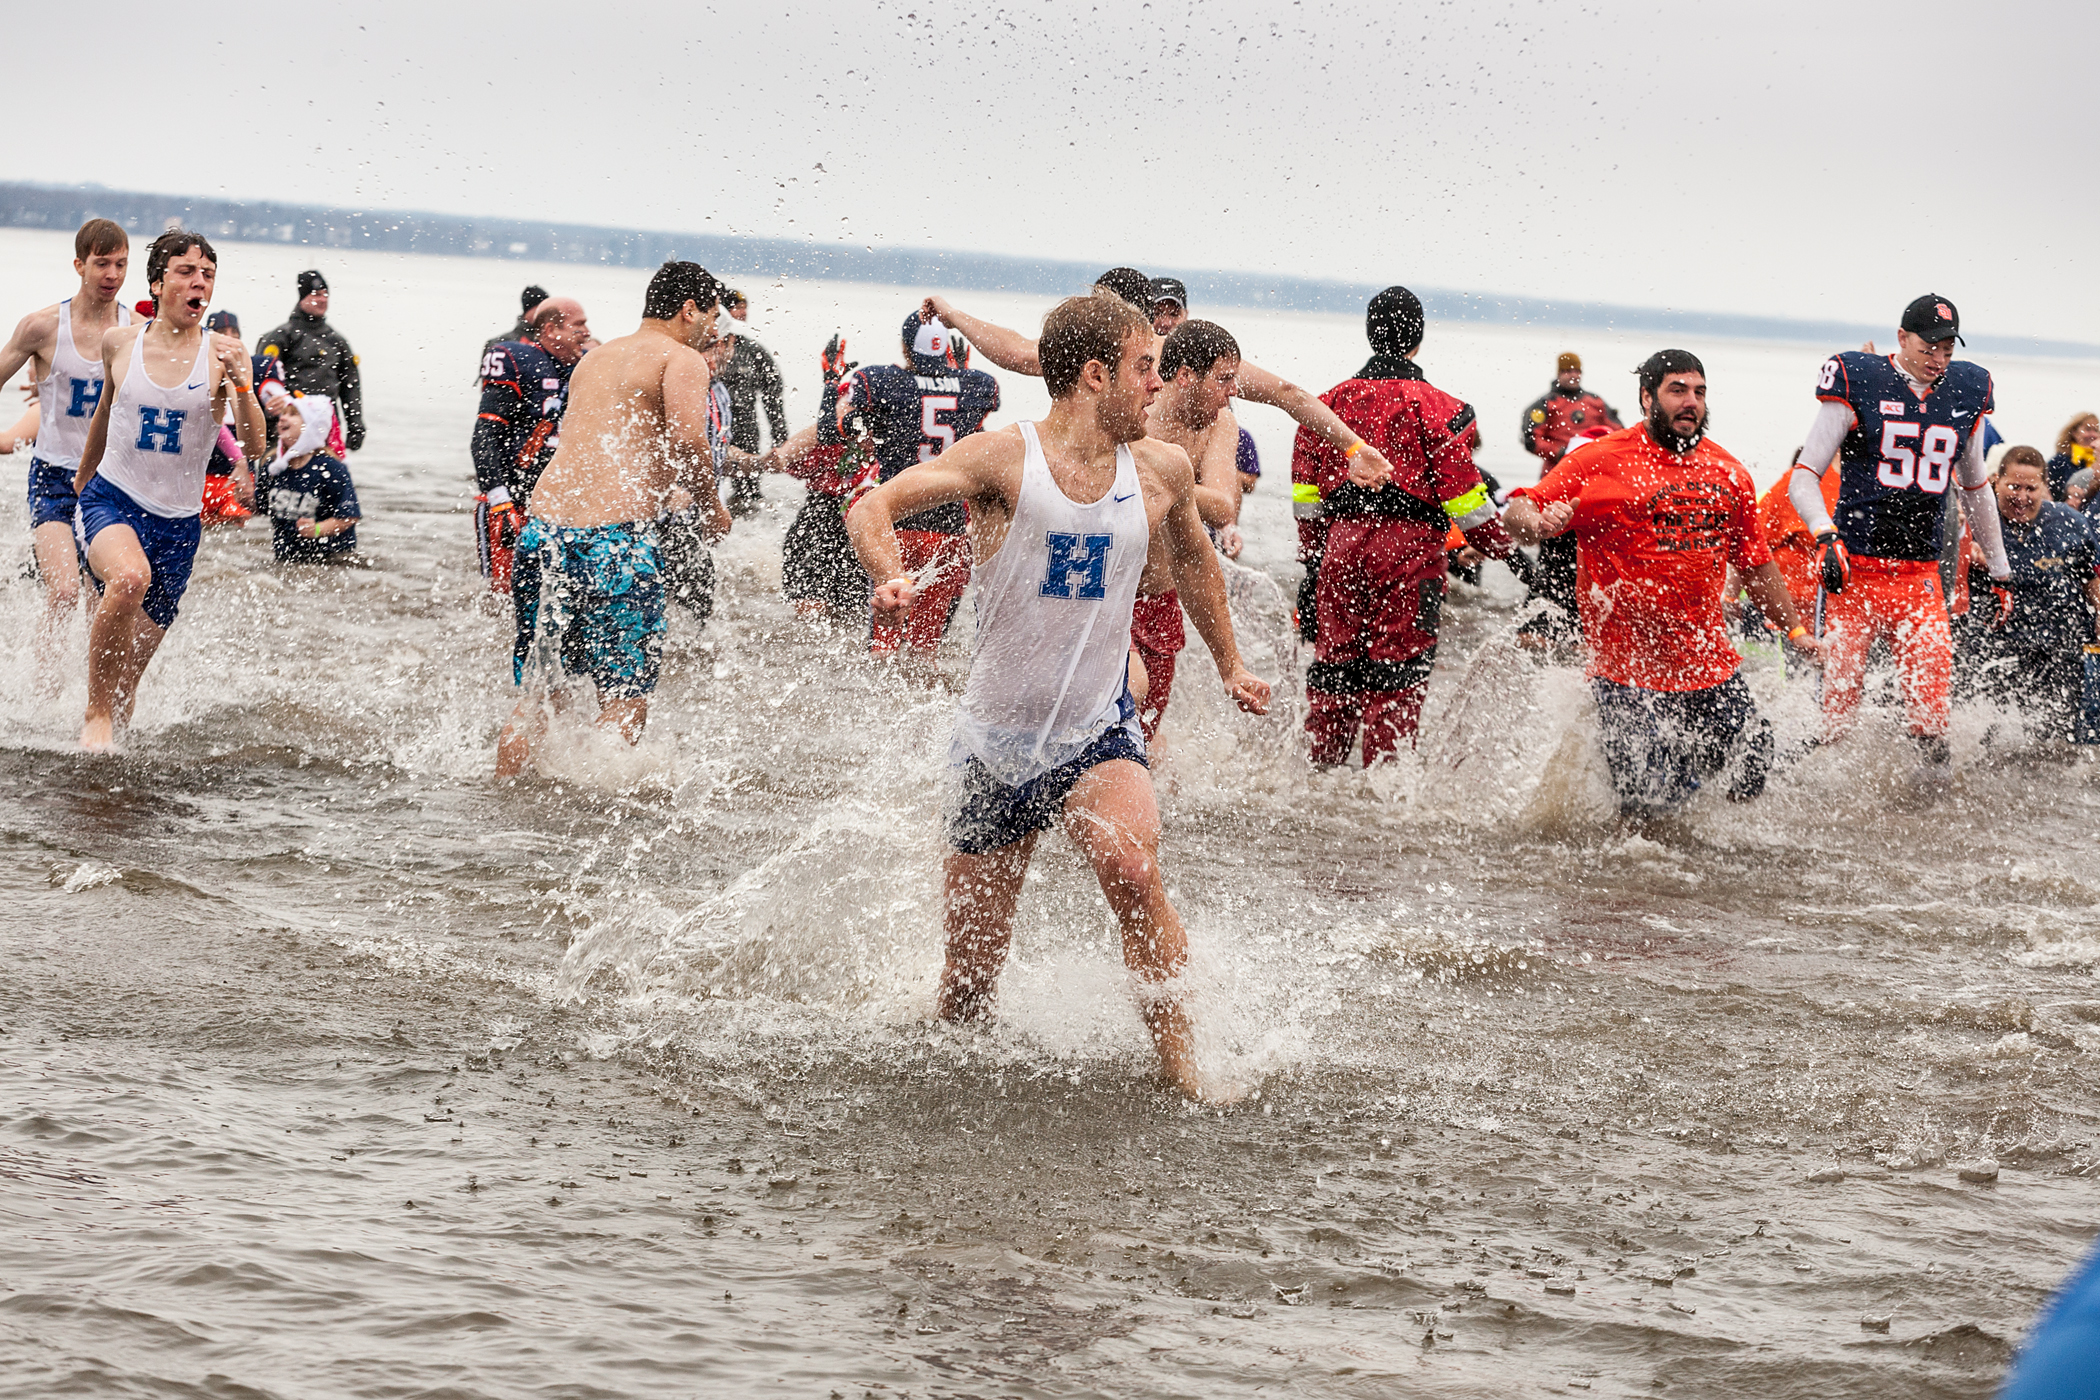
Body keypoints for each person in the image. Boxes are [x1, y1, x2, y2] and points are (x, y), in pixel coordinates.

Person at [843, 290, 1270, 1101]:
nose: (1159, 385)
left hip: (1095, 730)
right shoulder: (1003, 457)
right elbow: (876, 503)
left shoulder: (1161, 470)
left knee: (1131, 869)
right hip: (993, 746)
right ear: (1094, 375)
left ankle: (1185, 1070)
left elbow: (1198, 566)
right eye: (1146, 367)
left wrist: (1230, 664)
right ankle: (949, 1088)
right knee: (968, 986)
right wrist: (887, 574)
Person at [1506, 350, 1815, 820]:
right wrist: (1540, 524)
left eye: (1699, 392)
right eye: (1677, 391)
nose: (1691, 402)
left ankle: (1701, 855)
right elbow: (1517, 513)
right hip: (1626, 672)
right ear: (1647, 397)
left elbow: (1755, 564)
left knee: (1754, 756)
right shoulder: (1601, 460)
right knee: (1643, 811)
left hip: (1708, 665)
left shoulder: (1729, 473)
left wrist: (1796, 632)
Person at [493, 261, 729, 779]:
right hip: (613, 540)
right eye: (712, 315)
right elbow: (690, 443)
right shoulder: (682, 358)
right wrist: (711, 506)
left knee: (541, 694)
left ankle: (502, 801)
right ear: (688, 310)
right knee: (625, 694)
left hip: (544, 531)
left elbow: (611, 447)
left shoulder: (592, 360)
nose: (716, 328)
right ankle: (600, 820)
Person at [1290, 286, 1519, 766]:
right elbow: (1469, 506)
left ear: (1371, 335)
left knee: (1334, 670)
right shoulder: (1444, 409)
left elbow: (1306, 499)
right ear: (1418, 339)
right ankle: (1385, 793)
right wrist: (1513, 555)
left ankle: (1319, 775)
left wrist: (1315, 561)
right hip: (1410, 555)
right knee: (1397, 676)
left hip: (1340, 548)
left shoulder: (1323, 405)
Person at [1786, 294, 2013, 760]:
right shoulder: (1860, 379)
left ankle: (1926, 817)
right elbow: (1805, 474)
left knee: (1932, 718)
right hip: (1855, 576)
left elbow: (1975, 488)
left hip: (1920, 579)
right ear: (1902, 338)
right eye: (1929, 347)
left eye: (1948, 350)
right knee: (1835, 716)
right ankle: (1811, 806)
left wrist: (2000, 569)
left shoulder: (1966, 390)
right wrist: (1825, 533)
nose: (1939, 359)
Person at [71, 230, 266, 751]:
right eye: (186, 272)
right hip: (112, 498)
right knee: (129, 579)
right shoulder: (121, 343)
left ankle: (112, 743)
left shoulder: (222, 356)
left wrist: (243, 386)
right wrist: (82, 479)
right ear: (158, 283)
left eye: (207, 274)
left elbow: (255, 444)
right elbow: (105, 412)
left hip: (178, 526)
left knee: (129, 686)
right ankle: (94, 716)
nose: (198, 282)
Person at [0, 218, 134, 695]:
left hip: (108, 484)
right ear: (79, 265)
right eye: (101, 263)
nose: (111, 274)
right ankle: (42, 695)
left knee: (102, 605)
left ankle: (91, 700)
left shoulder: (135, 332)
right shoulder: (41, 326)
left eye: (120, 264)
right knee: (62, 591)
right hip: (54, 476)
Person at [833, 309, 1000, 674]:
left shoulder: (882, 381)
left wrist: (834, 383)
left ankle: (870, 716)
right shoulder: (978, 384)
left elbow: (842, 425)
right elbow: (977, 429)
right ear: (948, 352)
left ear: (906, 348)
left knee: (884, 642)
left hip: (898, 522)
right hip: (950, 531)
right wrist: (955, 375)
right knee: (925, 652)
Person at [1129, 319, 1246, 739]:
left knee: (1145, 732)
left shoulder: (1222, 424)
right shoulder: (1138, 417)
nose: (1233, 391)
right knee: (1126, 700)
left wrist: (1166, 482)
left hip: (1163, 594)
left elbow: (1221, 505)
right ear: (1184, 376)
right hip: (1113, 592)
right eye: (1224, 379)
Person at [1953, 446, 2100, 738]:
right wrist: (1964, 555)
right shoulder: (1975, 519)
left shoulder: (2068, 522)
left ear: (2044, 486)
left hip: (2058, 650)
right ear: (1997, 481)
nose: (2022, 497)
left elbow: (2090, 578)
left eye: (2031, 488)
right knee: (1988, 739)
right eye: (2014, 486)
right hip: (1993, 648)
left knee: (2055, 742)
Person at [472, 296, 591, 592]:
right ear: (551, 330)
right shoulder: (517, 359)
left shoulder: (584, 368)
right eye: (579, 325)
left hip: (558, 504)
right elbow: (484, 434)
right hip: (513, 501)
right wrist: (500, 499)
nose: (587, 332)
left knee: (561, 592)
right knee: (505, 596)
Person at [1514, 352, 1625, 651]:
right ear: (1559, 373)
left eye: (1577, 370)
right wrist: (1565, 454)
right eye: (1568, 371)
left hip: (1593, 486)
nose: (1572, 375)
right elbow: (1529, 438)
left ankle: (1584, 625)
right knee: (1553, 555)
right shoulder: (1545, 404)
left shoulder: (1596, 403)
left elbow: (1622, 434)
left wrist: (1597, 455)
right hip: (1557, 481)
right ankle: (1539, 622)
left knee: (1588, 557)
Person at [256, 270, 365, 454]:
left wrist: (356, 425)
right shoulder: (281, 337)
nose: (322, 300)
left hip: (325, 426)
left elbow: (350, 386)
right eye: (315, 294)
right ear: (302, 297)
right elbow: (261, 381)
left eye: (325, 294)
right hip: (285, 424)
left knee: (327, 478)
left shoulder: (337, 341)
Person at [715, 289, 788, 517]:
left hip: (745, 430)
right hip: (716, 427)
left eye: (745, 306)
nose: (743, 311)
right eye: (736, 306)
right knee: (709, 486)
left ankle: (746, 531)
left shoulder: (754, 351)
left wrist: (781, 438)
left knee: (748, 496)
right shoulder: (708, 351)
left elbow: (773, 396)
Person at [262, 395, 361, 563]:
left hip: (332, 558)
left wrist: (317, 529)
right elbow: (262, 506)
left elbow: (349, 517)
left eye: (293, 414)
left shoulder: (331, 468)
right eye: (283, 414)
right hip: (286, 556)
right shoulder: (273, 466)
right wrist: (243, 498)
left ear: (312, 427)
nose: (282, 418)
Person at [1755, 447, 1842, 620]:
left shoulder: (1876, 486)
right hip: (1795, 615)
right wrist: (1730, 597)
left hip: (1849, 613)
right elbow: (1752, 543)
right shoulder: (1799, 482)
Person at [482, 285, 550, 372]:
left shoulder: (552, 342)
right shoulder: (499, 342)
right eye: (540, 309)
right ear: (529, 309)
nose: (545, 315)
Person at [2048, 412, 2098, 501]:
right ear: (2074, 432)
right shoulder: (2059, 462)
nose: (2093, 435)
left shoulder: (2097, 461)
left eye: (2096, 430)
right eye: (2088, 429)